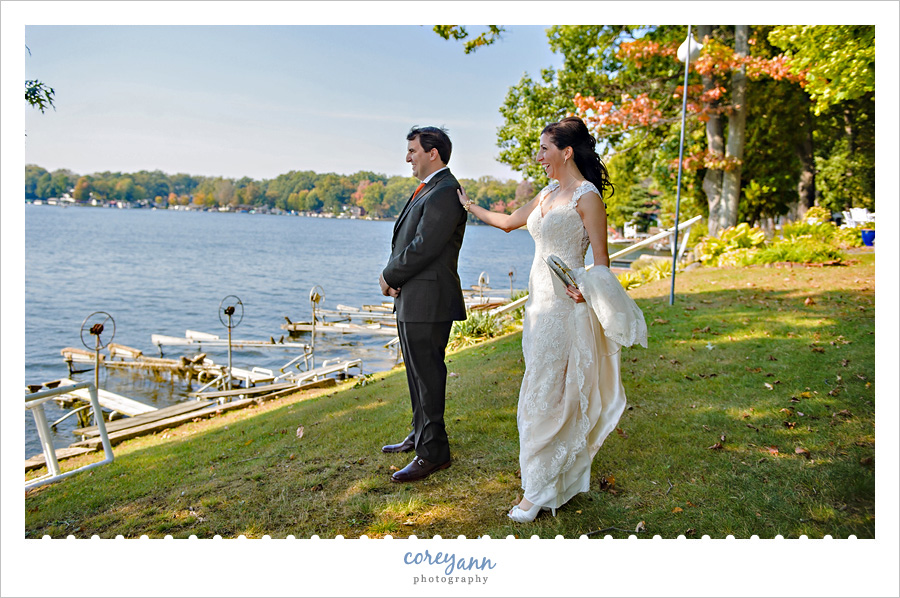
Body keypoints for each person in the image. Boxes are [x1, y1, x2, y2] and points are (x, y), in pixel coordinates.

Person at [457, 116, 647, 522]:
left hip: (566, 307)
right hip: (538, 307)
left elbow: (601, 262)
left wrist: (586, 290)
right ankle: (554, 480)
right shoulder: (546, 194)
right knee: (539, 386)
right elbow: (509, 223)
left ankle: (536, 491)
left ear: (566, 151)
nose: (538, 156)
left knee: (551, 391)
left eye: (544, 148)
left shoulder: (587, 197)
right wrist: (468, 205)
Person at [379, 126, 468, 483]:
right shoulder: (429, 189)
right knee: (416, 374)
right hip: (414, 298)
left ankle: (433, 453)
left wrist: (389, 275)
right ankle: (420, 434)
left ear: (433, 152)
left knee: (428, 376)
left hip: (429, 300)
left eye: (413, 150)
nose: (407, 157)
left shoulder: (445, 191)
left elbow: (423, 246)